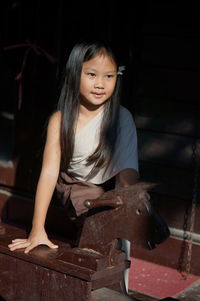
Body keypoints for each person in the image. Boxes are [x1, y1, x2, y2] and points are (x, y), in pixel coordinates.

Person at [8, 39, 141, 290]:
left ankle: (113, 288)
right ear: (74, 75)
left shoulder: (121, 118)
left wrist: (124, 203)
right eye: (92, 74)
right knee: (92, 238)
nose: (100, 84)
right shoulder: (60, 120)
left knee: (117, 238)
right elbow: (48, 172)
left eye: (109, 76)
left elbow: (127, 170)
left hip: (112, 189)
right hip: (77, 186)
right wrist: (37, 229)